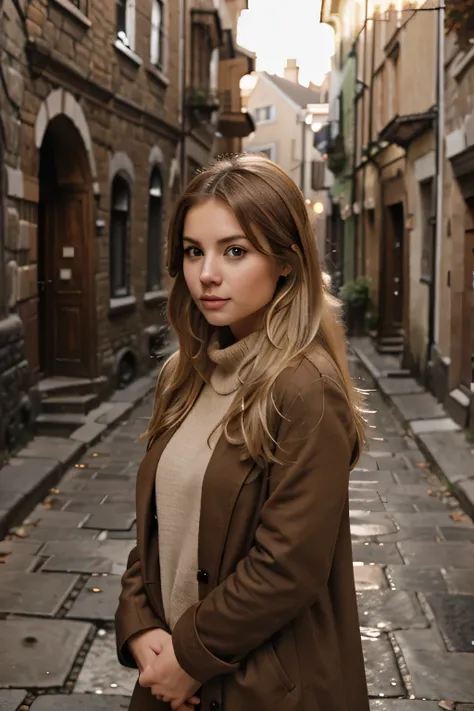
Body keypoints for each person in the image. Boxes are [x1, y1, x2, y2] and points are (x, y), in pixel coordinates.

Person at [115, 154, 370, 711]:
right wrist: (138, 624)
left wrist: (189, 658)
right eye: (193, 251)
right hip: (170, 677)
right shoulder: (184, 374)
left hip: (262, 684)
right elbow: (155, 529)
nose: (207, 273)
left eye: (235, 251)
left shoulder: (304, 388)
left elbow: (287, 567)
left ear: (285, 261)